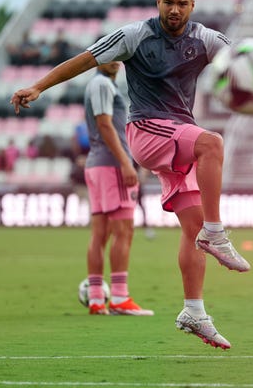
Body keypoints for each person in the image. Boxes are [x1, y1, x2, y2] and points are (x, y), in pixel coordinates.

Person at [11, 0, 253, 349]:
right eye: (168, 2)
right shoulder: (134, 36)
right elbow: (84, 60)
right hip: (147, 130)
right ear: (158, 1)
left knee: (193, 228)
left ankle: (194, 311)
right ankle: (217, 234)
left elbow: (243, 62)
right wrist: (38, 86)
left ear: (192, 4)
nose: (174, 9)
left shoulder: (203, 39)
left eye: (182, 3)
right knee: (212, 144)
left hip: (177, 135)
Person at [82, 60, 153, 316]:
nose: (114, 60)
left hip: (96, 165)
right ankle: (120, 297)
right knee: (124, 230)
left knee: (100, 233)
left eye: (118, 56)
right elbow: (104, 124)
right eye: (107, 55)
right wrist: (126, 163)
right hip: (111, 166)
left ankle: (96, 298)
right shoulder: (102, 84)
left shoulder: (98, 84)